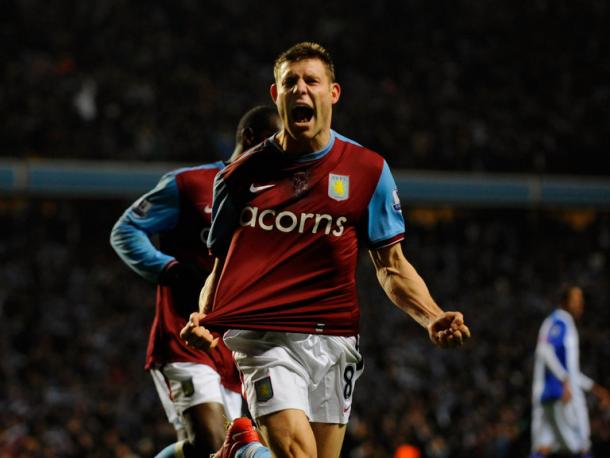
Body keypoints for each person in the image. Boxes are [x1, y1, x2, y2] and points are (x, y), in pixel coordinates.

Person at [180, 42, 471, 458]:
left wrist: (432, 316)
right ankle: (247, 450)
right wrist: (204, 316)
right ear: (275, 95)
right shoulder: (239, 177)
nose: (300, 89)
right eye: (289, 82)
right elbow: (222, 264)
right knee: (299, 453)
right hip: (264, 336)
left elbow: (392, 265)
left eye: (311, 80)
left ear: (332, 93)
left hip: (334, 338)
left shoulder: (368, 170)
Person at [110, 105, 281, 458]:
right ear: (251, 138)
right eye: (277, 143)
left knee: (221, 453)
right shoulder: (190, 184)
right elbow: (126, 229)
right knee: (213, 442)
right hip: (183, 337)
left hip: (236, 349)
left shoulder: (274, 203)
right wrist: (169, 269)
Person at [530, 285, 610, 458]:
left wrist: (595, 389)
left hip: (549, 393)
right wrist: (564, 380)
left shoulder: (552, 321)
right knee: (582, 445)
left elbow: (571, 371)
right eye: (576, 300)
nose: (580, 305)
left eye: (581, 301)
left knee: (542, 448)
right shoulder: (561, 321)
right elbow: (545, 351)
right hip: (560, 395)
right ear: (564, 302)